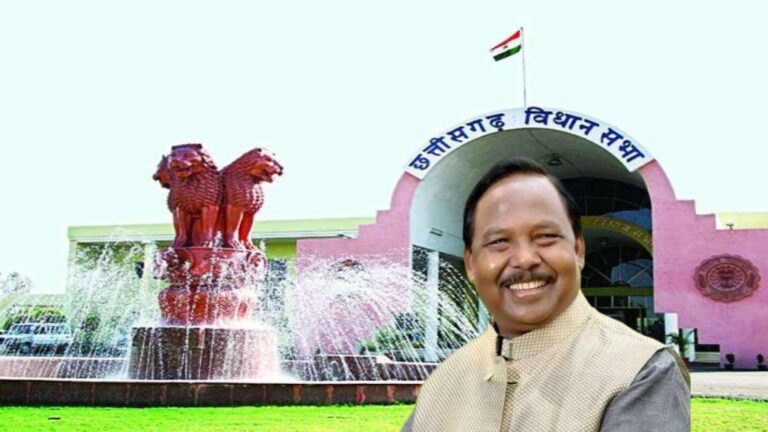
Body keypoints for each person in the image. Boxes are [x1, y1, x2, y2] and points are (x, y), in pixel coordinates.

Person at [402, 158, 690, 432]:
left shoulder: (639, 370)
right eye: (499, 241)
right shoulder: (446, 380)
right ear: (471, 264)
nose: (525, 259)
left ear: (578, 250)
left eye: (545, 237)